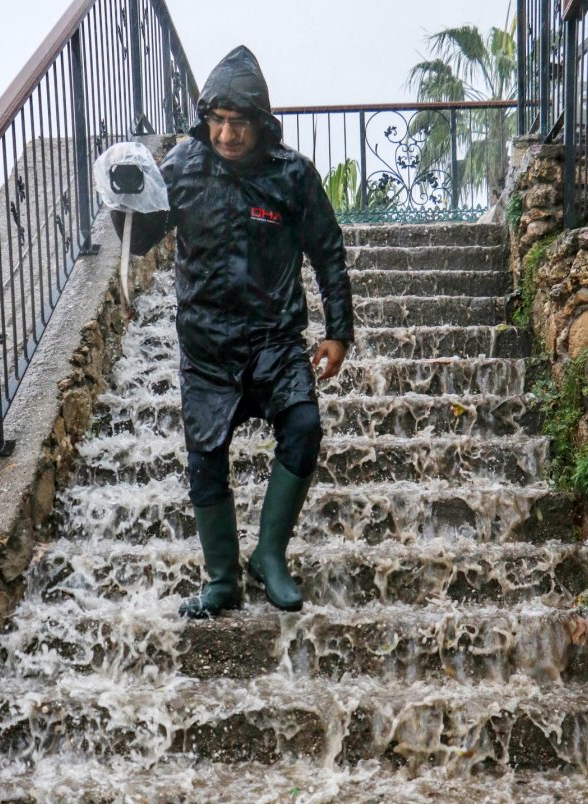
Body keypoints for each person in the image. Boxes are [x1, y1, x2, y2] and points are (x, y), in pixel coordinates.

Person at [112, 45, 354, 617]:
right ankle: (221, 578)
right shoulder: (181, 168)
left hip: (275, 341)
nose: (225, 134)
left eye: (237, 123)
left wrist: (337, 331)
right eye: (217, 122)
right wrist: (125, 200)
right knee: (205, 457)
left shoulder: (292, 175)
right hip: (206, 349)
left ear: (260, 123)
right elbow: (139, 238)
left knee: (303, 427)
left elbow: (329, 252)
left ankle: (269, 555)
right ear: (206, 121)